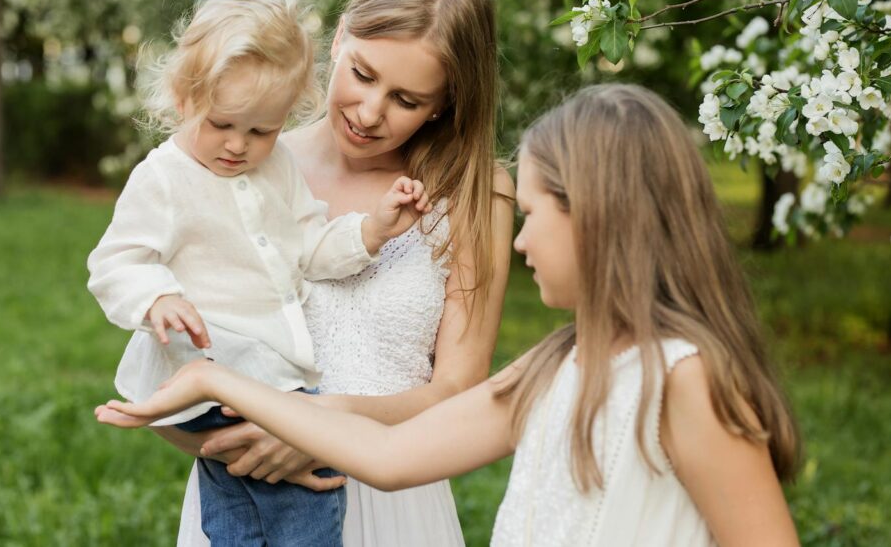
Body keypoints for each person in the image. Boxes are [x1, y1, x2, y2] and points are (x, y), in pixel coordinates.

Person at [99, 83, 803, 546]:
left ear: (603, 219)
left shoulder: (687, 379)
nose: (520, 239)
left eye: (534, 215)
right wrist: (218, 382)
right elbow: (390, 456)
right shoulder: (558, 364)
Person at [129, 0, 514, 546]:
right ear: (337, 39)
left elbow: (458, 391)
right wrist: (247, 445)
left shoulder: (475, 192)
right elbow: (175, 364)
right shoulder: (242, 166)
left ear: (445, 103)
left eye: (406, 99)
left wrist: (318, 425)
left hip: (396, 498)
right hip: (252, 483)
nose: (368, 113)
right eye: (361, 74)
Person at [87, 0, 431, 547]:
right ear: (182, 97)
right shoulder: (164, 179)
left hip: (263, 373)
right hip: (214, 369)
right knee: (310, 499)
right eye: (223, 123)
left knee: (237, 512)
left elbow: (311, 249)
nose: (238, 145)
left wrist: (371, 231)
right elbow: (116, 260)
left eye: (261, 131)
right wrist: (156, 299)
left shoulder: (278, 168)